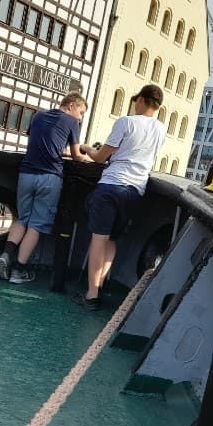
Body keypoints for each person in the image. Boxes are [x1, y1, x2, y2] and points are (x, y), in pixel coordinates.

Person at [74, 84, 166, 310]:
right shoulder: (161, 129)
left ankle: (91, 295)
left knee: (99, 239)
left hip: (111, 186)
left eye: (136, 100)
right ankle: (100, 284)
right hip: (135, 190)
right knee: (112, 240)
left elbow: (100, 157)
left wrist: (86, 148)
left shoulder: (126, 122)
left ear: (141, 100)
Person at [0, 92, 89, 283]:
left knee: (22, 219)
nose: (80, 118)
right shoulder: (71, 122)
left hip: (26, 174)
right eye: (81, 112)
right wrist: (88, 155)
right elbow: (77, 155)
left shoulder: (39, 115)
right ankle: (18, 271)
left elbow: (37, 146)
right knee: (36, 225)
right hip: (49, 177)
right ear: (71, 105)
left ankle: (5, 256)